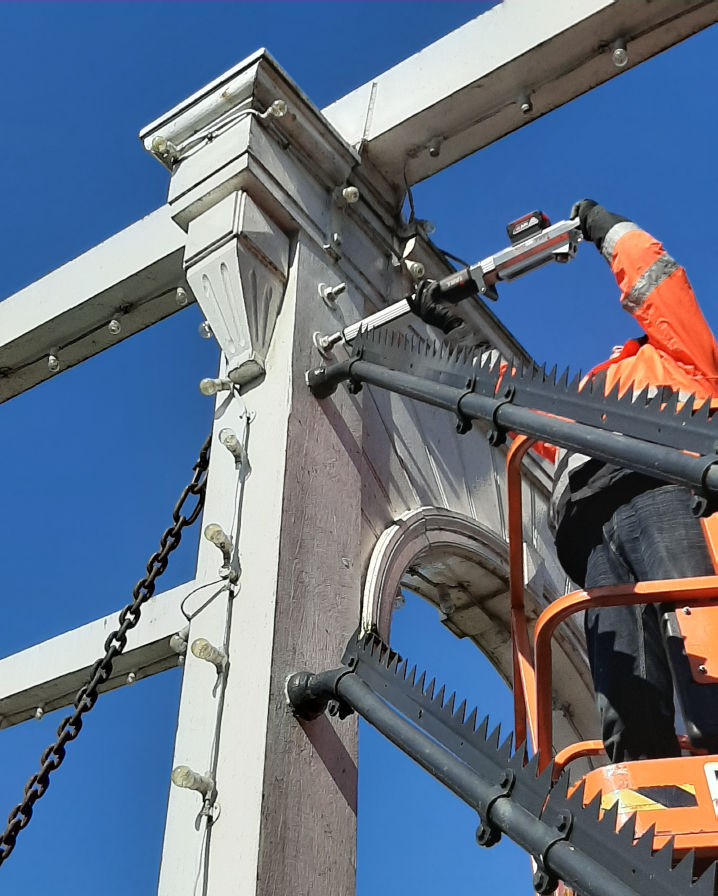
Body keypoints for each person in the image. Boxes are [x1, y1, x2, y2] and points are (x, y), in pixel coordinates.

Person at [409, 200, 718, 763]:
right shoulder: (581, 408)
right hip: (590, 526)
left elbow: (660, 286)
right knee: (622, 677)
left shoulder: (682, 359)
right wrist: (454, 329)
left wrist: (606, 232)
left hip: (666, 488)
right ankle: (649, 790)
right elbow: (516, 399)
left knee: (701, 639)